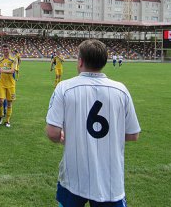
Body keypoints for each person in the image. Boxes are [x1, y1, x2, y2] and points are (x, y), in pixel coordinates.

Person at [46, 39, 140, 207]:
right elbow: (133, 135)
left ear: (80, 61)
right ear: (104, 62)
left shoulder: (64, 87)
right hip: (111, 180)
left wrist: (68, 135)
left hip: (74, 176)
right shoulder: (121, 90)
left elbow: (52, 133)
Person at [0, 44, 17, 127]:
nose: (5, 51)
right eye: (4, 49)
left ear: (9, 50)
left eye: (7, 49)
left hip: (11, 85)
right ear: (2, 50)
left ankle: (7, 120)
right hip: (2, 84)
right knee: (0, 101)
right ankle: (0, 116)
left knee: (9, 103)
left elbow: (12, 71)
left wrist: (3, 70)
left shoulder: (13, 60)